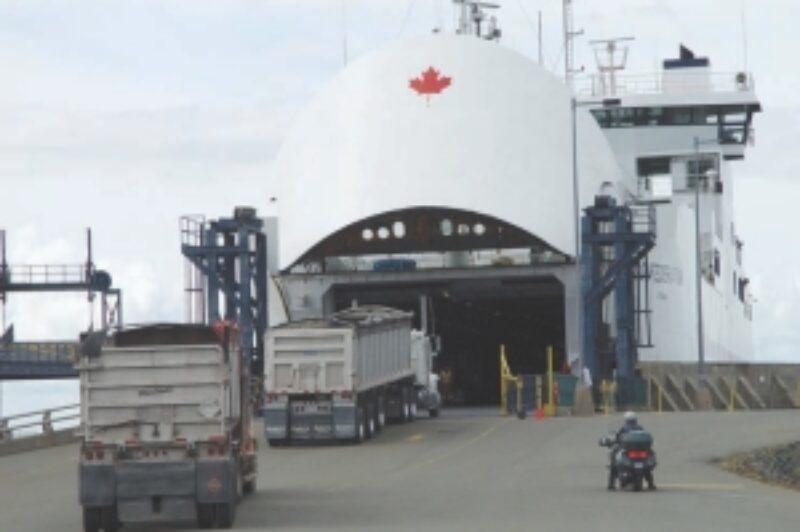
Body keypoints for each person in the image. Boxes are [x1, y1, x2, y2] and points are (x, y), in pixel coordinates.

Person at [608, 411, 656, 490]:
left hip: (629, 451)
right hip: (640, 451)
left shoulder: (624, 428)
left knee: (614, 464)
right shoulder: (640, 427)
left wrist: (613, 440)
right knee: (647, 469)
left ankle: (611, 483)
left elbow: (618, 437)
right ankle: (651, 483)